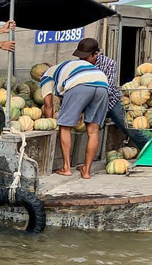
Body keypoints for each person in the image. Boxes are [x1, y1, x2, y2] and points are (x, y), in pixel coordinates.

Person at [41, 41, 109, 179]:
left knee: (65, 126)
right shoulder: (74, 65)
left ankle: (66, 167)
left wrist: (51, 122)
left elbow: (48, 105)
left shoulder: (46, 75)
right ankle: (86, 170)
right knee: (93, 130)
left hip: (79, 85)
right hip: (102, 84)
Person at [83, 38, 149, 150]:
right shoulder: (79, 64)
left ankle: (148, 149)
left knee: (128, 127)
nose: (82, 59)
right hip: (88, 102)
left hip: (110, 101)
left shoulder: (109, 63)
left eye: (85, 57)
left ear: (95, 54)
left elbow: (106, 88)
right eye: (81, 57)